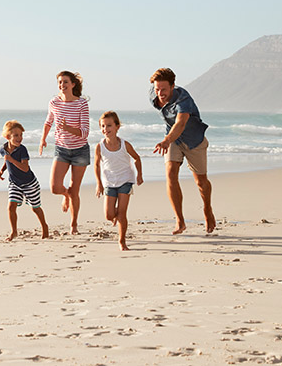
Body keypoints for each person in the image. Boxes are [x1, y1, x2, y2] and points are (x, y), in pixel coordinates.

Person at [149, 67, 216, 234]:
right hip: (173, 139)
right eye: (157, 89)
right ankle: (179, 220)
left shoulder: (183, 99)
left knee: (201, 181)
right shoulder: (154, 94)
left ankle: (207, 209)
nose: (160, 93)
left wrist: (165, 140)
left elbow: (180, 123)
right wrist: (168, 140)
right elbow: (172, 126)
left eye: (164, 89)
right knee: (171, 174)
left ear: (173, 86)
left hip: (194, 140)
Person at [39, 70, 90, 235]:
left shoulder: (81, 104)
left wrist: (67, 128)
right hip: (61, 149)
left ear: (73, 84)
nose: (62, 85)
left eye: (65, 82)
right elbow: (48, 122)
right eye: (60, 82)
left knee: (75, 190)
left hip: (80, 151)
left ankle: (73, 225)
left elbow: (84, 132)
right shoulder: (54, 102)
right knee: (54, 187)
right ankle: (65, 195)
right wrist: (43, 139)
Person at [93, 111, 143, 251]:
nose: (105, 129)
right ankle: (116, 219)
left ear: (117, 126)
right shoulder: (100, 146)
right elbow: (97, 165)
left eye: (109, 125)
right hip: (109, 182)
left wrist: (139, 175)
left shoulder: (125, 145)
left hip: (125, 180)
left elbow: (137, 158)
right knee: (109, 214)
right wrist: (99, 184)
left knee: (122, 213)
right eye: (102, 126)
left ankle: (122, 241)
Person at [0, 120, 49, 241]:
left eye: (21, 135)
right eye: (16, 135)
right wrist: (2, 170)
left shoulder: (22, 150)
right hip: (14, 183)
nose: (19, 138)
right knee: (11, 206)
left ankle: (45, 227)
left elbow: (25, 168)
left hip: (29, 183)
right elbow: (7, 161)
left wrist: (11, 160)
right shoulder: (3, 149)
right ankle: (14, 231)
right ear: (7, 136)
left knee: (35, 208)